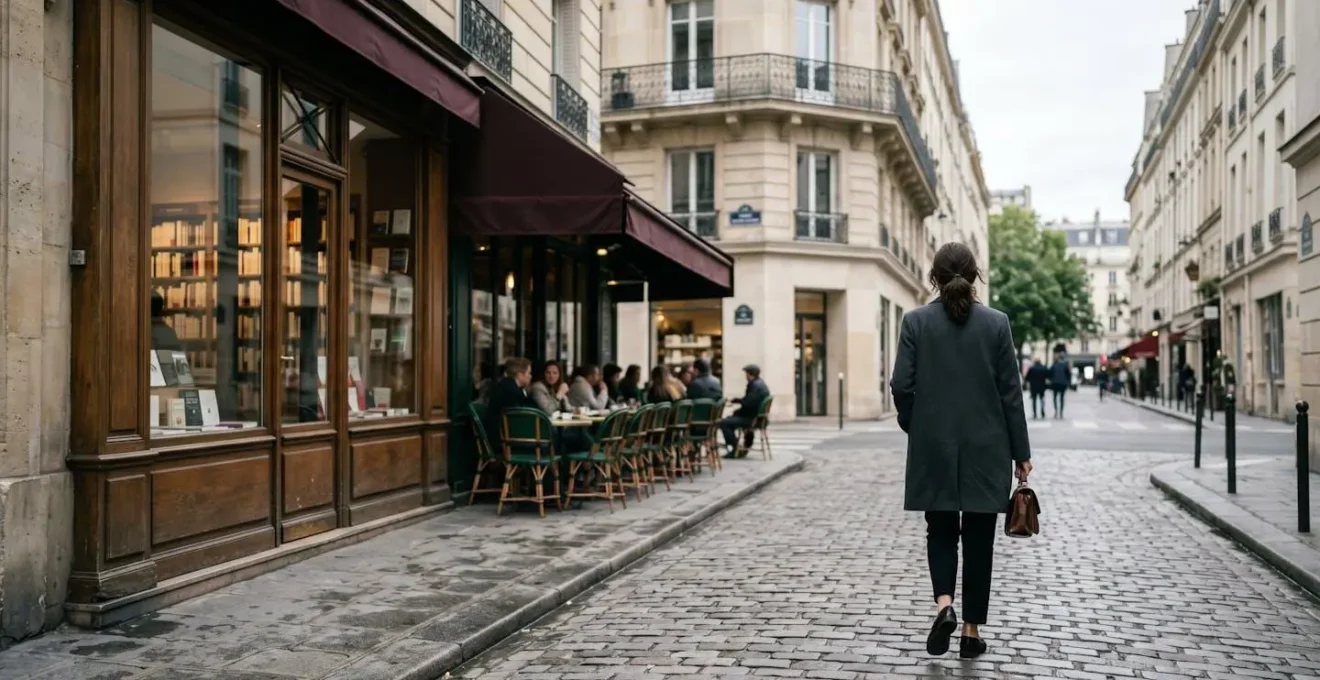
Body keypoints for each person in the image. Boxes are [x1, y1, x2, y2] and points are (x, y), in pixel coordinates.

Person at [890, 242, 1032, 660]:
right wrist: (1020, 451)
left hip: (933, 445)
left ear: (934, 276)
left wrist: (915, 424)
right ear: (975, 276)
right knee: (979, 539)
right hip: (987, 448)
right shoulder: (997, 324)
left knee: (940, 530)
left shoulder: (915, 321)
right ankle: (970, 633)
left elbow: (901, 385)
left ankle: (945, 606)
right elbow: (1011, 394)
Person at [483, 357, 536, 456]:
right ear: (520, 375)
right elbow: (524, 415)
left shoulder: (510, 386)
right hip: (504, 440)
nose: (531, 376)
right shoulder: (511, 391)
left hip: (505, 437)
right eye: (529, 373)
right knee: (553, 440)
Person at [720, 364, 770, 458]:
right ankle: (743, 446)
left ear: (750, 374)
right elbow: (750, 401)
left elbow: (748, 403)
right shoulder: (760, 384)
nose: (745, 376)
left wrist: (738, 404)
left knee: (724, 423)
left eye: (746, 374)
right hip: (758, 418)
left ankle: (736, 448)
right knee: (732, 417)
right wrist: (738, 402)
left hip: (752, 419)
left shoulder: (754, 385)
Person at [1049, 353, 1070, 418]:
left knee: (1055, 398)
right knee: (1062, 398)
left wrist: (1051, 380)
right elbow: (1068, 375)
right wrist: (1068, 382)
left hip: (1055, 383)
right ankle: (1061, 412)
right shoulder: (1065, 365)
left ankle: (1056, 411)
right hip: (1063, 384)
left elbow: (1050, 373)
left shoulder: (1054, 365)